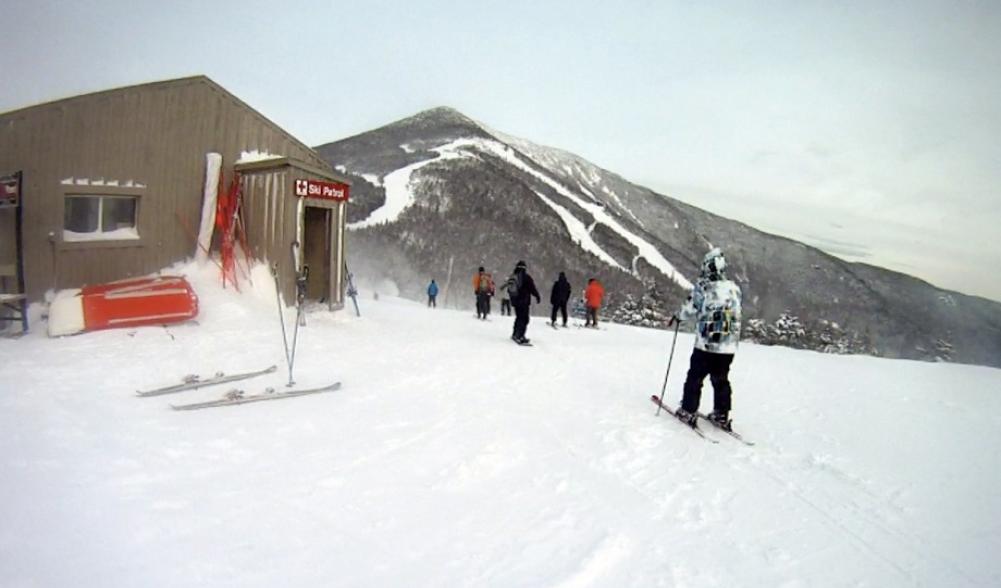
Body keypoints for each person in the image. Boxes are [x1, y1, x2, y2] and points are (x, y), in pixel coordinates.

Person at [668, 247, 742, 431]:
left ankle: (688, 410)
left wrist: (678, 317)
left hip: (706, 343)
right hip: (728, 346)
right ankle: (721, 413)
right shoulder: (735, 289)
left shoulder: (703, 287)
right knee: (721, 379)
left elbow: (689, 308)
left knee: (695, 376)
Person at [504, 260, 540, 345]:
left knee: (518, 317)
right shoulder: (526, 277)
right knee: (524, 319)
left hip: (516, 302)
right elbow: (532, 288)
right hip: (524, 301)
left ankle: (515, 334)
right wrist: (537, 296)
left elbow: (509, 290)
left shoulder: (513, 276)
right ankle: (520, 336)